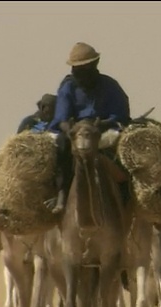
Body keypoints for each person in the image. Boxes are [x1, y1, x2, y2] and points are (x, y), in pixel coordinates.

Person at [45, 42, 132, 214]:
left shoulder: (110, 86)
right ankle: (62, 193)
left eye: (82, 68)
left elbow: (120, 114)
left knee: (122, 147)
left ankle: (126, 194)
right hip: (74, 134)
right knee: (61, 146)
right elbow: (61, 118)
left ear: (94, 65)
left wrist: (101, 125)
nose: (77, 73)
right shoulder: (68, 87)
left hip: (104, 131)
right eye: (75, 69)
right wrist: (71, 130)